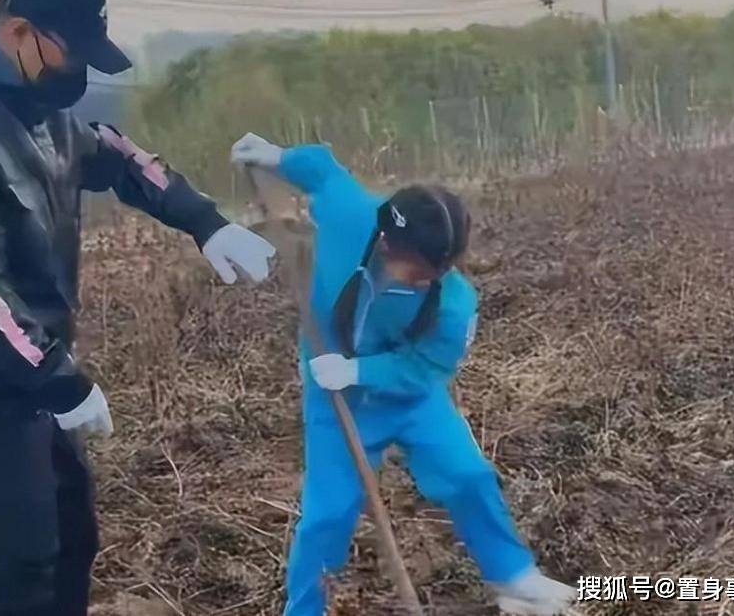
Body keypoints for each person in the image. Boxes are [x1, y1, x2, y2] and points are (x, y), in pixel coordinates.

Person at [0, 0, 277, 615]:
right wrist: (59, 379)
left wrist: (206, 222)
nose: (79, 73)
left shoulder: (42, 115)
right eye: (71, 53)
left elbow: (120, 159)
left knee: (74, 538)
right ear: (19, 32)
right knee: (25, 560)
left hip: (31, 376)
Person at [229, 133, 577, 616]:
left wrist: (359, 369)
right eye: (417, 269)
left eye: (438, 270)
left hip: (410, 395)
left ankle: (514, 579)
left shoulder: (453, 304)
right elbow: (324, 172)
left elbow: (426, 366)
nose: (428, 279)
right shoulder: (353, 217)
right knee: (328, 514)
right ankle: (304, 610)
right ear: (388, 241)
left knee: (468, 474)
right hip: (337, 399)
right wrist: (276, 158)